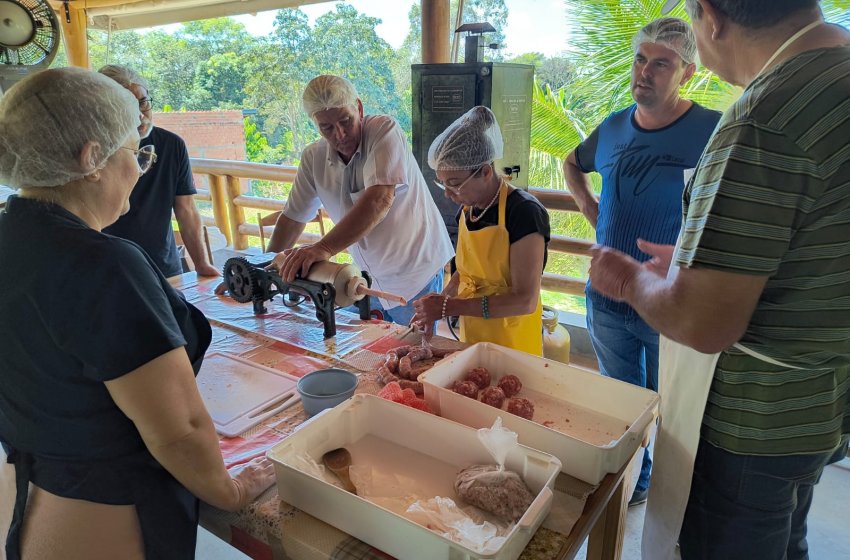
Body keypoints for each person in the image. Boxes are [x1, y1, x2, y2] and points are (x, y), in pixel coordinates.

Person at [590, 1, 850, 557]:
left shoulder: (761, 118)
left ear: (709, 17)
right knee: (784, 540)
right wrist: (695, 267)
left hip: (754, 423)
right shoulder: (836, 73)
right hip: (819, 401)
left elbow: (700, 321)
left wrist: (632, 280)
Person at [0, 68, 274, 560]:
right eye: (135, 153)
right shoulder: (103, 264)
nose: (141, 168)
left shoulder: (10, 237)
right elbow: (180, 428)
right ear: (92, 160)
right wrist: (231, 490)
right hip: (104, 517)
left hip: (27, 494)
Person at [562, 17, 721, 506]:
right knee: (621, 401)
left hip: (669, 300)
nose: (645, 72)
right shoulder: (611, 127)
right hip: (606, 299)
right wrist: (590, 207)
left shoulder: (712, 130)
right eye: (640, 58)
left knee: (672, 406)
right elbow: (572, 162)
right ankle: (635, 480)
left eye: (661, 63)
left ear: (687, 72)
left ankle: (674, 495)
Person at [267, 75, 454, 325]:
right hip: (366, 278)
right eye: (327, 128)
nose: (340, 134)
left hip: (416, 274)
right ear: (315, 124)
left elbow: (379, 200)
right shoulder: (313, 157)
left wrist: (322, 248)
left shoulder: (383, 129)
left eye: (346, 121)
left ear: (359, 108)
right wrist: (263, 272)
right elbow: (292, 219)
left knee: (416, 353)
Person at [411, 106, 550, 355]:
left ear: (485, 171)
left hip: (513, 340)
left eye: (454, 184)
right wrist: (437, 305)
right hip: (474, 334)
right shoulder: (468, 210)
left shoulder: (523, 213)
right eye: (442, 183)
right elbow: (464, 273)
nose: (447, 193)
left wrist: (449, 307)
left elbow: (524, 300)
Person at [99, 64, 220, 279]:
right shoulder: (97, 150)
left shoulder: (172, 145)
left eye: (143, 103)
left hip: (164, 268)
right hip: (109, 268)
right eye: (127, 106)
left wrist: (202, 264)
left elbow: (186, 209)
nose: (140, 115)